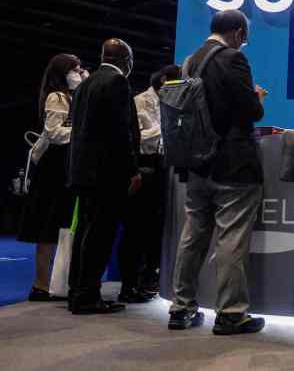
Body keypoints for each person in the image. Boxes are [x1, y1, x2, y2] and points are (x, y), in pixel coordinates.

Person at [168, 9, 267, 335]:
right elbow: (249, 111)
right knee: (231, 239)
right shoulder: (233, 59)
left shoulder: (189, 61)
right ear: (238, 33)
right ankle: (230, 313)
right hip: (233, 163)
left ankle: (181, 308)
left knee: (193, 235)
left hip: (197, 162)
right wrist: (258, 98)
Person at [68, 39, 141, 315]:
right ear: (126, 59)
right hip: (106, 174)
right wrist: (132, 169)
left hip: (82, 171)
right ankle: (88, 297)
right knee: (99, 235)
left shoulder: (85, 84)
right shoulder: (117, 83)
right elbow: (121, 133)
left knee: (85, 233)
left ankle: (78, 291)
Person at [18, 54, 86, 301]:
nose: (79, 73)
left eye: (80, 69)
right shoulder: (56, 97)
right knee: (47, 228)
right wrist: (82, 130)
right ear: (62, 72)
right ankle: (40, 284)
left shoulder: (75, 96)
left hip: (67, 166)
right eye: (75, 69)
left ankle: (58, 282)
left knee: (64, 227)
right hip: (53, 169)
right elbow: (55, 133)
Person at [125, 64, 181, 297]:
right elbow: (137, 137)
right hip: (143, 165)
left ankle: (149, 279)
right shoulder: (140, 101)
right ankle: (129, 284)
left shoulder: (170, 103)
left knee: (156, 228)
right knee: (136, 228)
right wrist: (166, 127)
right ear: (165, 80)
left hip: (162, 166)